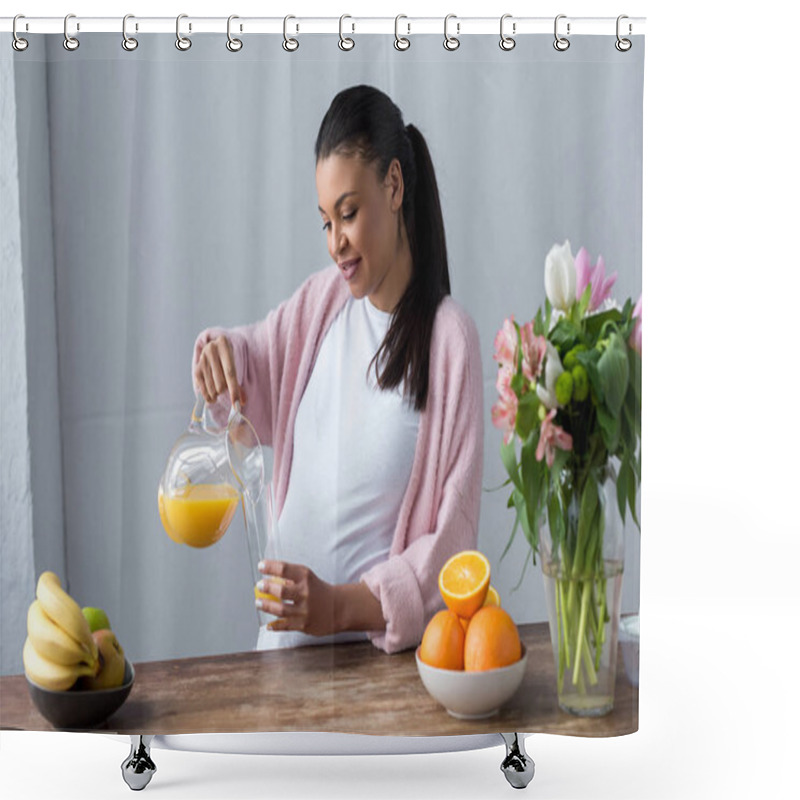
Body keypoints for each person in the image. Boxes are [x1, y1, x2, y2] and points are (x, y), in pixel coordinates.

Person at [192, 85, 483, 654]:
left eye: (348, 214)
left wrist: (337, 607)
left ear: (394, 186)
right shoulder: (321, 306)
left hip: (374, 685)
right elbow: (251, 365)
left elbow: (451, 547)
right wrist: (219, 353)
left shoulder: (449, 341)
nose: (335, 243)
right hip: (278, 663)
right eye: (325, 221)